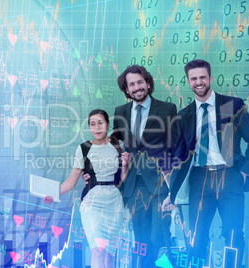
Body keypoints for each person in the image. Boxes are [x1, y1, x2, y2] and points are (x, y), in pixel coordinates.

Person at [163, 59, 249, 268]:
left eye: (202, 77)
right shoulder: (184, 115)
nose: (198, 82)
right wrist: (171, 193)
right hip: (200, 180)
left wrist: (244, 173)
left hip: (231, 177)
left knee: (234, 235)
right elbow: (180, 158)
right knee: (196, 240)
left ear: (210, 78)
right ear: (188, 82)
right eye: (193, 79)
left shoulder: (231, 106)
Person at [85, 65, 178, 267]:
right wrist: (92, 174)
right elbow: (112, 146)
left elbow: (175, 147)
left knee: (159, 236)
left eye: (140, 82)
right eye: (131, 84)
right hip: (134, 186)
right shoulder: (121, 112)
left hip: (160, 185)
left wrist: (173, 186)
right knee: (141, 241)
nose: (136, 87)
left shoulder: (167, 109)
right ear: (126, 89)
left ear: (148, 83)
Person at [44, 109, 130, 268]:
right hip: (92, 202)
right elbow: (71, 182)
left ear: (108, 125)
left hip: (114, 202)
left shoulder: (117, 146)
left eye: (100, 123)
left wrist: (125, 166)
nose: (97, 128)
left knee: (110, 254)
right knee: (97, 250)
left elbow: (123, 179)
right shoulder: (83, 148)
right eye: (92, 124)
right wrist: (52, 194)